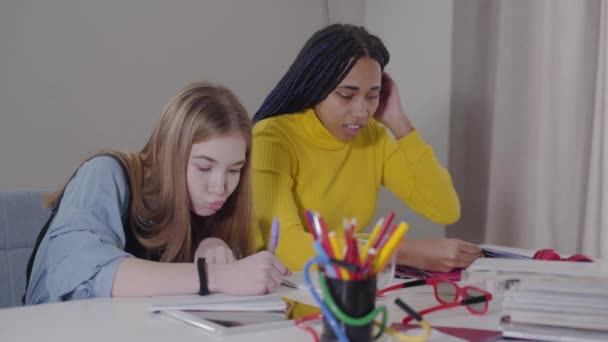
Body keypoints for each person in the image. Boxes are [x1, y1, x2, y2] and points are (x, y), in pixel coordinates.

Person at [25, 82, 289, 305]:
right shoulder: (104, 172)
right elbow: (87, 277)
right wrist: (217, 275)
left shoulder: (205, 210)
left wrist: (211, 247)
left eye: (234, 170)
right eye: (204, 167)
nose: (220, 187)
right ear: (165, 154)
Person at [252, 24, 481, 273]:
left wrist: (400, 123)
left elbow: (444, 209)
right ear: (315, 87)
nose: (361, 112)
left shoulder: (373, 137)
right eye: (346, 95)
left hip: (351, 289)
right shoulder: (272, 137)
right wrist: (401, 252)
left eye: (372, 95)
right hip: (284, 297)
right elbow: (286, 247)